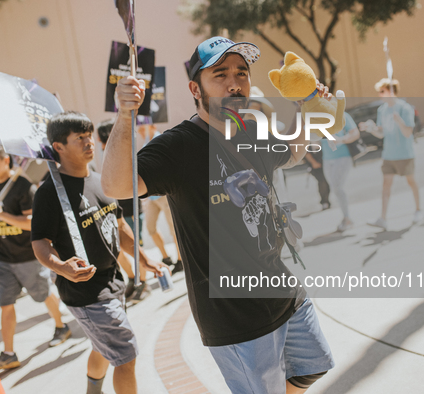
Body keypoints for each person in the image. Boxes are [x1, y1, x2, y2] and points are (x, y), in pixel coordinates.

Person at [102, 37, 334, 394]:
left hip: (282, 289)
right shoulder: (176, 146)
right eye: (220, 74)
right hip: (232, 313)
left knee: (312, 366)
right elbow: (117, 186)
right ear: (196, 87)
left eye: (241, 72)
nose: (234, 82)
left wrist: (307, 105)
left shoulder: (251, 129)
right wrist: (124, 115)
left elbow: (291, 152)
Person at [31, 112, 168, 394]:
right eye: (79, 138)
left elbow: (118, 227)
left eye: (89, 135)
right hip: (85, 293)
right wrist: (61, 267)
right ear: (59, 147)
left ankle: (93, 390)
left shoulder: (101, 180)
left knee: (104, 346)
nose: (88, 142)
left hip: (113, 281)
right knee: (126, 354)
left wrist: (144, 260)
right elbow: (40, 244)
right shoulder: (48, 193)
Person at [0, 143, 70, 371]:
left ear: (5, 161)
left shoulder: (23, 186)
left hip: (29, 256)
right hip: (4, 258)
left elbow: (32, 224)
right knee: (6, 305)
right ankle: (9, 353)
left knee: (43, 295)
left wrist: (1, 215)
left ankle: (61, 326)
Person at [97, 119, 183, 280]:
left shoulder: (160, 139)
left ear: (152, 125)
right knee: (150, 229)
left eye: (144, 125)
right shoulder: (145, 142)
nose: (141, 128)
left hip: (164, 195)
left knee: (174, 230)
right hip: (151, 197)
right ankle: (166, 257)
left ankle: (180, 260)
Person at [359, 78, 422, 230]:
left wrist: (399, 121)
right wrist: (371, 128)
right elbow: (381, 133)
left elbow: (408, 133)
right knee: (386, 186)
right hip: (388, 154)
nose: (380, 95)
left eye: (382, 91)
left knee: (411, 182)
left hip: (405, 154)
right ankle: (383, 218)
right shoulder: (382, 110)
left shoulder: (404, 108)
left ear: (391, 91)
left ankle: (419, 210)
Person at [321, 112, 360, 232]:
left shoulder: (341, 114)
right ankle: (346, 218)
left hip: (343, 156)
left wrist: (340, 140)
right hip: (326, 158)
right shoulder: (317, 116)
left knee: (337, 187)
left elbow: (355, 133)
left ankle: (347, 219)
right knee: (335, 188)